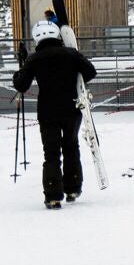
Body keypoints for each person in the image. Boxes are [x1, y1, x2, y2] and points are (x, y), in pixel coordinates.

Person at [11, 19, 96, 207]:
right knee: (71, 146)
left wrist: (23, 64)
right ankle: (73, 188)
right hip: (72, 109)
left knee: (51, 153)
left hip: (48, 112)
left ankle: (53, 195)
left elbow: (21, 85)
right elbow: (90, 72)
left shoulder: (35, 58)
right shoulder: (71, 53)